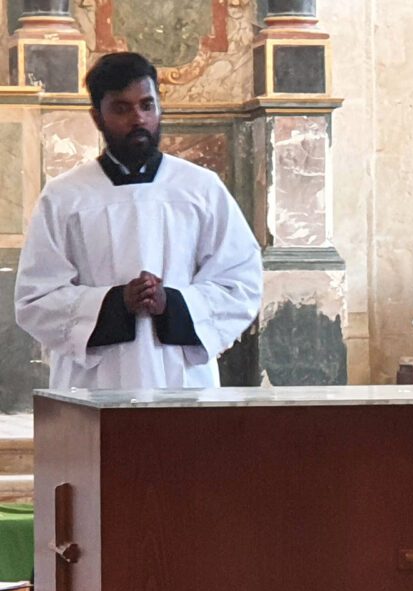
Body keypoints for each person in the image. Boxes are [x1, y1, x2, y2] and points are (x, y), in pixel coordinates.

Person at [14, 52, 262, 389]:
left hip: (182, 378)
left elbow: (240, 282)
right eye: (121, 108)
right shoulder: (64, 196)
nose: (138, 119)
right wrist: (115, 304)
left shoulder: (200, 188)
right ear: (96, 116)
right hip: (93, 383)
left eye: (147, 105)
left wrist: (172, 303)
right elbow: (35, 299)